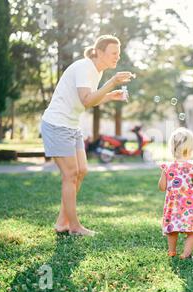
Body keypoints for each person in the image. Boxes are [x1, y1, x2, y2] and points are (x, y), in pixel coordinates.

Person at [40, 35, 134, 236]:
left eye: (119, 53)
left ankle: (61, 223)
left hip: (71, 125)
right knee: (70, 174)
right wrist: (112, 82)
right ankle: (74, 227)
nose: (117, 57)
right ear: (99, 52)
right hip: (57, 124)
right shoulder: (85, 67)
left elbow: (91, 99)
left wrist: (109, 95)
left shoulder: (96, 71)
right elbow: (85, 100)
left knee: (81, 170)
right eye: (113, 53)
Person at [158, 128, 193, 259]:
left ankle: (172, 251)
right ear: (190, 149)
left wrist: (163, 175)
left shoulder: (167, 168)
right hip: (188, 207)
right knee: (192, 231)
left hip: (172, 207)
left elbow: (162, 187)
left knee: (172, 230)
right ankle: (186, 254)